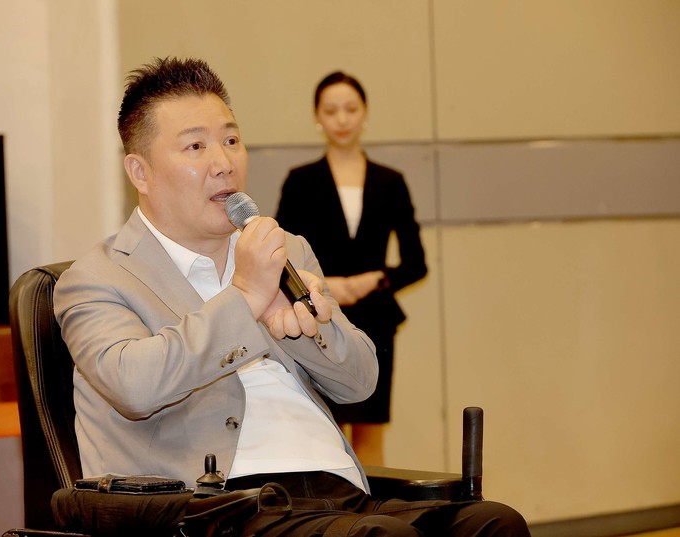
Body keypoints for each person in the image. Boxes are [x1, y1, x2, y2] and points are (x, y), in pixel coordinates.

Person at [53, 56, 529, 536]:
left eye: (231, 141)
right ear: (140, 173)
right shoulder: (97, 278)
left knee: (493, 523)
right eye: (195, 146)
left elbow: (360, 382)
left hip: (338, 490)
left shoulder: (285, 250)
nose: (224, 164)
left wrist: (306, 327)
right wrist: (246, 298)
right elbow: (134, 387)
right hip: (222, 509)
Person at [275, 71, 427, 467]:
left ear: (365, 114)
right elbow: (279, 255)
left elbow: (417, 263)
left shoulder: (390, 181)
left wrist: (377, 279)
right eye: (331, 111)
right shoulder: (300, 181)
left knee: (371, 431)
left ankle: (374, 506)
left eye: (350, 109)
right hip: (317, 317)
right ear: (317, 117)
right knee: (326, 430)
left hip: (376, 318)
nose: (341, 119)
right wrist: (327, 285)